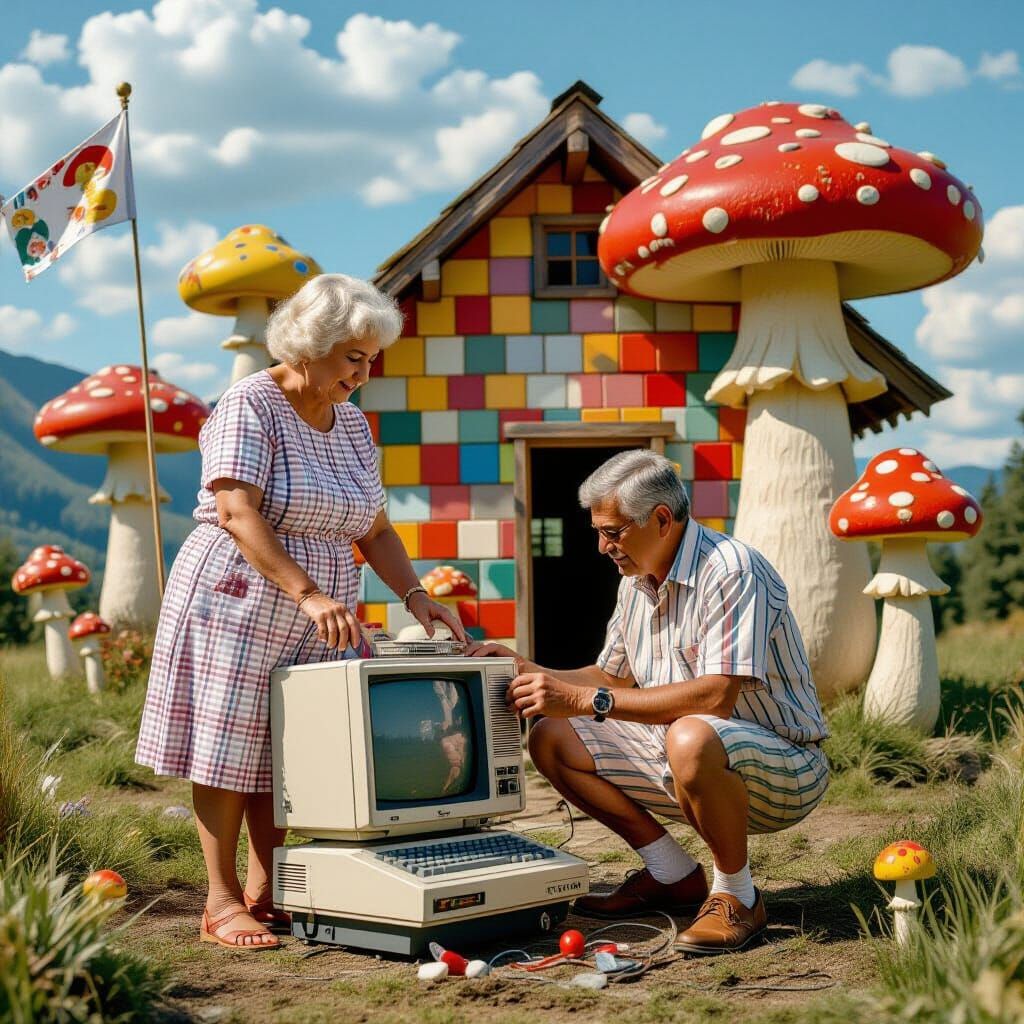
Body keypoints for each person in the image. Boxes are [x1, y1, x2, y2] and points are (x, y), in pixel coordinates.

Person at [136, 274, 465, 951]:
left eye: (371, 360)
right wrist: (308, 593)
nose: (364, 374)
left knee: (291, 747)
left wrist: (415, 595)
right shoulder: (250, 403)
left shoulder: (352, 424)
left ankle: (269, 887)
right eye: (354, 358)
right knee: (229, 745)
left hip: (321, 606)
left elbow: (375, 530)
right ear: (310, 345)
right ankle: (220, 900)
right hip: (240, 593)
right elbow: (237, 511)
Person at [467, 449, 829, 954]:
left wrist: (583, 698)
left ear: (661, 519)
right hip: (685, 754)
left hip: (785, 767)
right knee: (551, 735)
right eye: (599, 532)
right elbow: (609, 678)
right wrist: (525, 668)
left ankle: (738, 896)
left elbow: (716, 696)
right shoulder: (634, 584)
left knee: (691, 734)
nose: (602, 547)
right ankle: (672, 874)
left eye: (612, 532)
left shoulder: (732, 569)